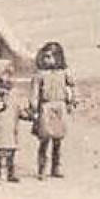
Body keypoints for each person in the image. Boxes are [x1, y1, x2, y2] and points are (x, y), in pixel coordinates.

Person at [29, 40, 76, 179]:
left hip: (59, 107)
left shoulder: (64, 73)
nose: (47, 59)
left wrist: (72, 101)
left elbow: (72, 86)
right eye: (45, 56)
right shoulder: (40, 75)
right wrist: (34, 109)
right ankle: (41, 169)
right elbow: (34, 93)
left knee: (58, 139)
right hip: (46, 107)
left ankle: (56, 168)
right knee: (44, 139)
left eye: (51, 56)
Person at [0, 69, 27, 185]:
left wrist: (28, 115)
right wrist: (2, 102)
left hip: (10, 130)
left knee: (10, 154)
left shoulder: (14, 98)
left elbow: (19, 111)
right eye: (2, 85)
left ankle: (10, 173)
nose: (4, 89)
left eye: (8, 85)